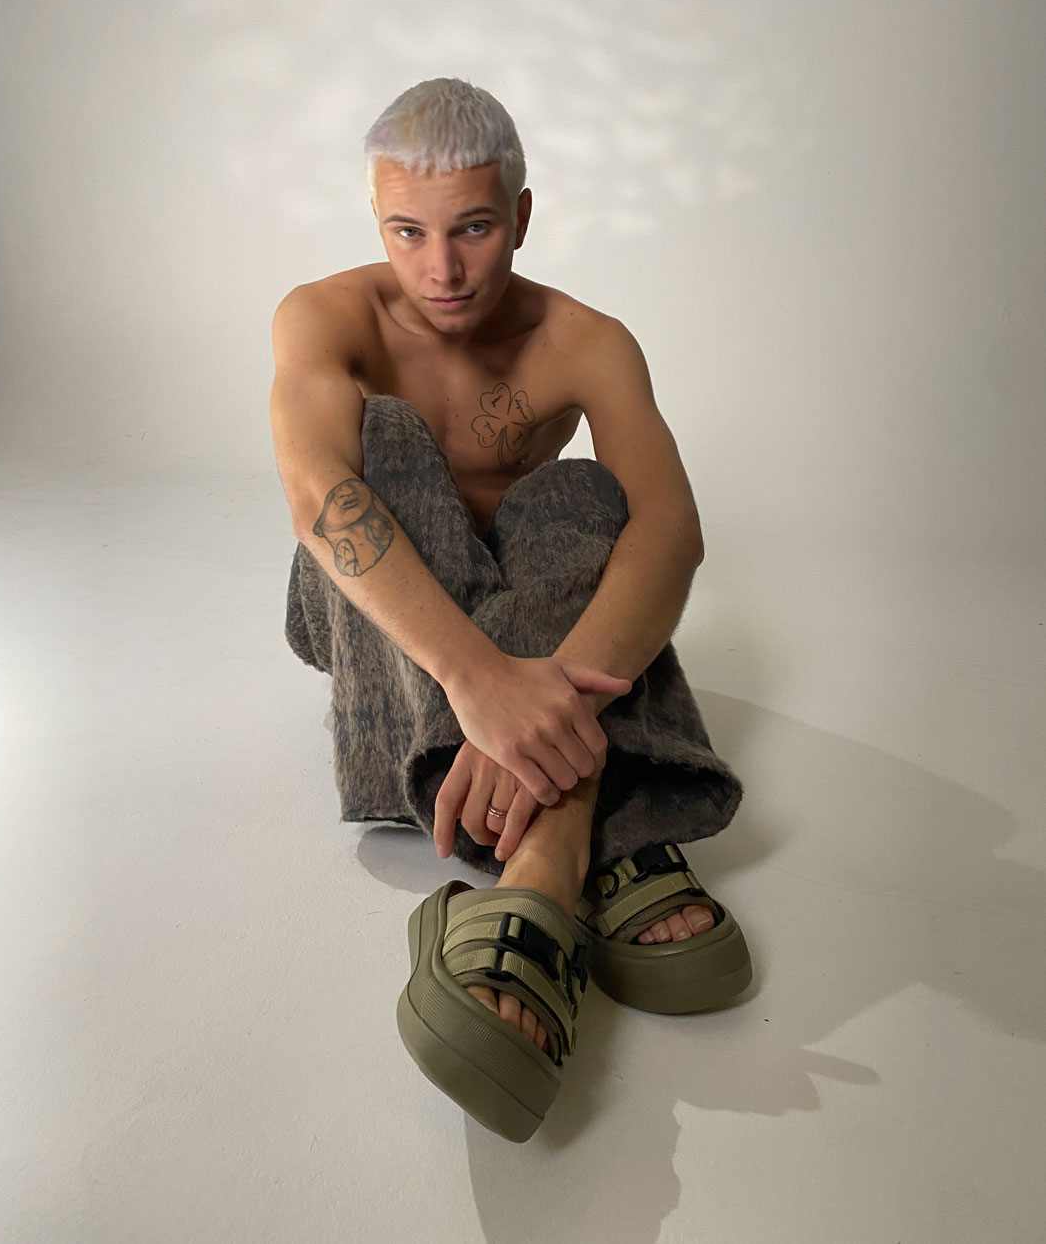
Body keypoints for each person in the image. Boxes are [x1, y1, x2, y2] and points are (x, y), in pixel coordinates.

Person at [271, 78, 752, 1140]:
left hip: (530, 615)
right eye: (408, 231)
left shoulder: (586, 340)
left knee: (578, 493)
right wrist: (479, 680)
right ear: (376, 218)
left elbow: (670, 528)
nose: (440, 269)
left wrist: (536, 700)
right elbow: (317, 496)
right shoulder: (323, 315)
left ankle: (537, 863)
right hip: (373, 621)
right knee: (383, 437)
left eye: (473, 229)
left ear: (521, 216)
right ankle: (589, 825)